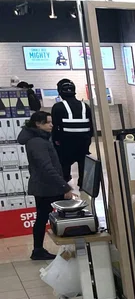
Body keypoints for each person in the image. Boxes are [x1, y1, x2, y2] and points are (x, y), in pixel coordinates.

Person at [18, 111, 73, 261]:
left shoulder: (39, 139)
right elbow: (47, 168)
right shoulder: (37, 142)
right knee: (47, 217)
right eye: (48, 122)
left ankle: (38, 250)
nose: (51, 125)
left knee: (42, 217)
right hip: (47, 188)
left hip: (46, 186)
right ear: (38, 124)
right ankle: (40, 250)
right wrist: (65, 186)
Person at [50, 79, 92, 185]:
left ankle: (65, 184)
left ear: (60, 92)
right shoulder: (85, 106)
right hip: (83, 142)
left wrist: (56, 140)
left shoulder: (58, 107)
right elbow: (91, 125)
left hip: (65, 143)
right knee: (82, 163)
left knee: (64, 164)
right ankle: (83, 184)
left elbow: (55, 126)